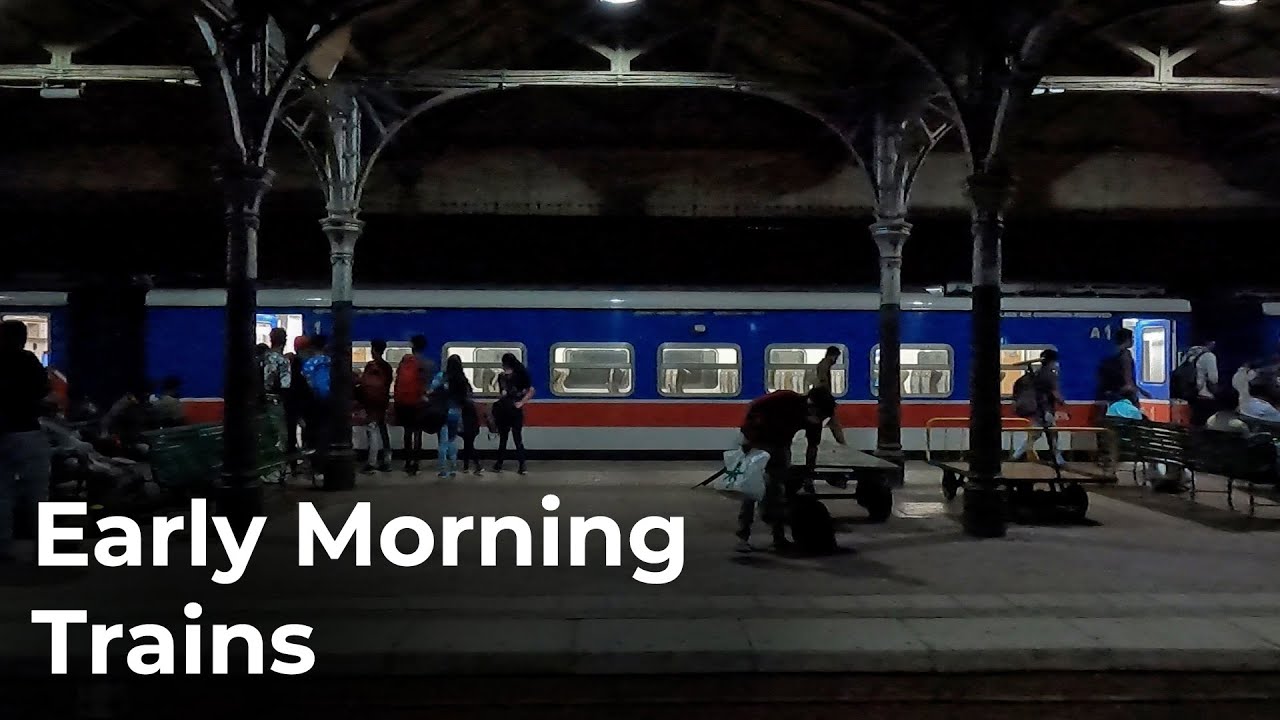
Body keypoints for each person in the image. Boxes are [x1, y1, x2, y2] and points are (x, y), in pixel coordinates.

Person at [734, 387, 844, 553]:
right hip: (758, 443)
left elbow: (812, 447)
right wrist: (747, 437)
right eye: (818, 413)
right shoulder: (785, 398)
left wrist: (809, 476)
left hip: (781, 447)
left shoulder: (815, 419)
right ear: (811, 404)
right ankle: (743, 537)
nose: (817, 419)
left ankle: (778, 538)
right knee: (751, 490)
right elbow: (754, 406)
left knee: (778, 491)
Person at [0, 320, 52, 564]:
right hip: (27, 432)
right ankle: (43, 545)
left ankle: (3, 545)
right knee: (37, 493)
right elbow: (44, 392)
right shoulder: (28, 361)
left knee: (2, 493)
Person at [1011, 349, 1067, 466]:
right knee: (1052, 434)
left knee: (1036, 434)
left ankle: (1016, 455)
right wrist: (1063, 403)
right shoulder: (1050, 374)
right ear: (1052, 361)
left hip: (1038, 409)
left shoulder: (1037, 373)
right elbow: (1054, 391)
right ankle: (1058, 459)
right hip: (1045, 409)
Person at [394, 335, 436, 475]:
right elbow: (429, 386)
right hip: (418, 402)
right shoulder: (428, 364)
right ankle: (416, 463)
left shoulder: (404, 361)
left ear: (412, 346)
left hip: (404, 402)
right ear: (424, 347)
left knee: (407, 432)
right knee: (417, 433)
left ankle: (407, 461)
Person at [430, 355, 473, 478]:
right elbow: (468, 393)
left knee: (442, 442)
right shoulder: (462, 379)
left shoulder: (441, 376)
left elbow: (431, 389)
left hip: (442, 412)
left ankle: (443, 471)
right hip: (456, 412)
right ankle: (453, 469)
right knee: (452, 440)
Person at [492, 353, 533, 475]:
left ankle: (499, 464)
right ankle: (522, 466)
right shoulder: (520, 375)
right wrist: (521, 403)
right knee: (517, 439)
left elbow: (502, 393)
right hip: (515, 410)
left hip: (505, 410)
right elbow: (531, 390)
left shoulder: (503, 377)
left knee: (503, 439)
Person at [357, 339, 394, 473]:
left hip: (371, 403)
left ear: (373, 350)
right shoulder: (387, 367)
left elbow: (363, 384)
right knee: (384, 430)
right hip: (382, 401)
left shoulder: (370, 366)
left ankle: (372, 462)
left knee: (371, 431)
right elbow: (388, 383)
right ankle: (387, 460)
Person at [1099, 327, 1149, 407]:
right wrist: (1131, 388)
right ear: (1126, 340)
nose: (1133, 341)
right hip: (1124, 393)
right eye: (1131, 338)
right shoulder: (1126, 354)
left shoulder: (1111, 353)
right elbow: (1127, 373)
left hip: (1112, 392)